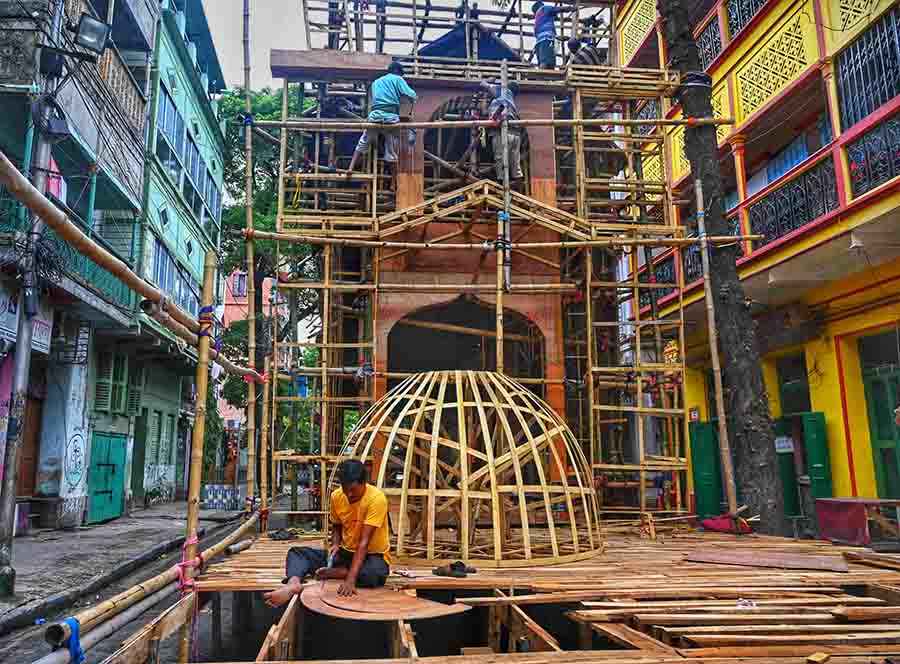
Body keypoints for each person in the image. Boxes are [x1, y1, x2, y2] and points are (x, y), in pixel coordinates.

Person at [263, 460, 391, 606]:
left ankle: (341, 572)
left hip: (371, 555)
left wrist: (350, 580)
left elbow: (364, 543)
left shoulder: (376, 499)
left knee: (374, 574)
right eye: (345, 489)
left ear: (364, 483)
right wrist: (335, 544)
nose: (349, 494)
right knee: (297, 553)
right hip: (346, 553)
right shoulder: (336, 496)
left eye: (353, 490)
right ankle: (293, 583)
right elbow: (336, 525)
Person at [347, 62, 417, 174]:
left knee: (363, 141)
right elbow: (412, 95)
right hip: (390, 118)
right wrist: (412, 100)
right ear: (398, 72)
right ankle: (394, 183)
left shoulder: (376, 82)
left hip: (375, 116)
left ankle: (350, 168)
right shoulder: (397, 79)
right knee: (391, 149)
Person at [480, 79, 523, 183]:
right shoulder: (510, 99)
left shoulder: (504, 91)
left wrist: (489, 80)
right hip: (515, 133)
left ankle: (502, 181)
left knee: (500, 158)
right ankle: (517, 178)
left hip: (502, 132)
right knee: (514, 160)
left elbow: (483, 84)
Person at [532, 1, 561, 69]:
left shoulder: (537, 19)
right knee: (547, 63)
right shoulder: (544, 8)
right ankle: (541, 78)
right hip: (546, 40)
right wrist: (571, 8)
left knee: (546, 63)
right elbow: (558, 9)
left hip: (539, 43)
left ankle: (544, 78)